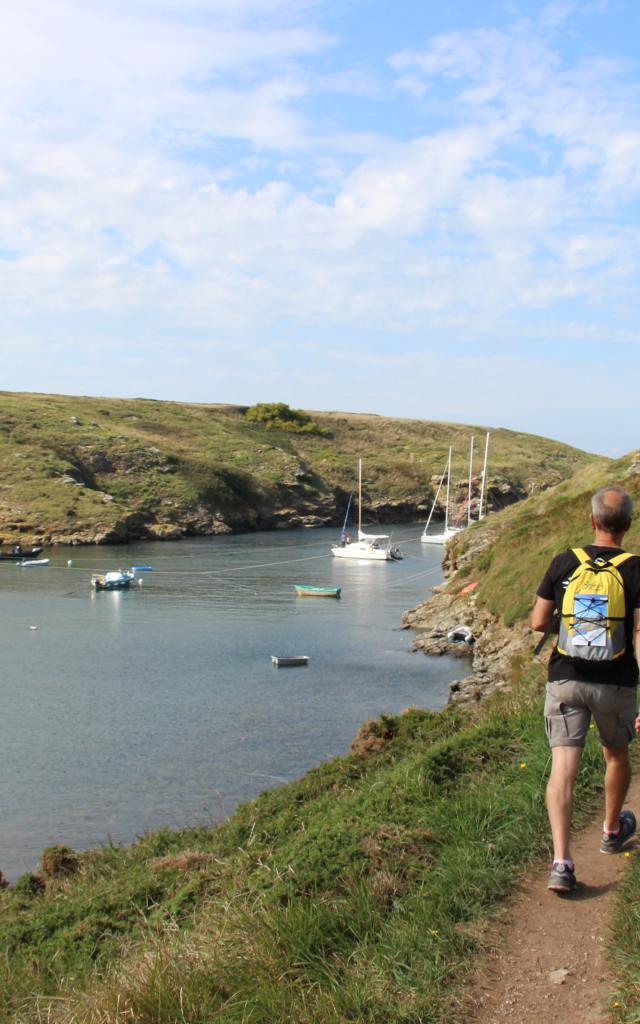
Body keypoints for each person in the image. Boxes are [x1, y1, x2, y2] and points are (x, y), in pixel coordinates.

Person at [531, 486, 640, 893]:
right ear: (628, 525)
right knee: (616, 755)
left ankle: (561, 862)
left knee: (564, 770)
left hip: (566, 679)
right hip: (616, 682)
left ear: (592, 520)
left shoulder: (565, 562)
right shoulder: (636, 569)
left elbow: (537, 622)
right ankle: (611, 831)